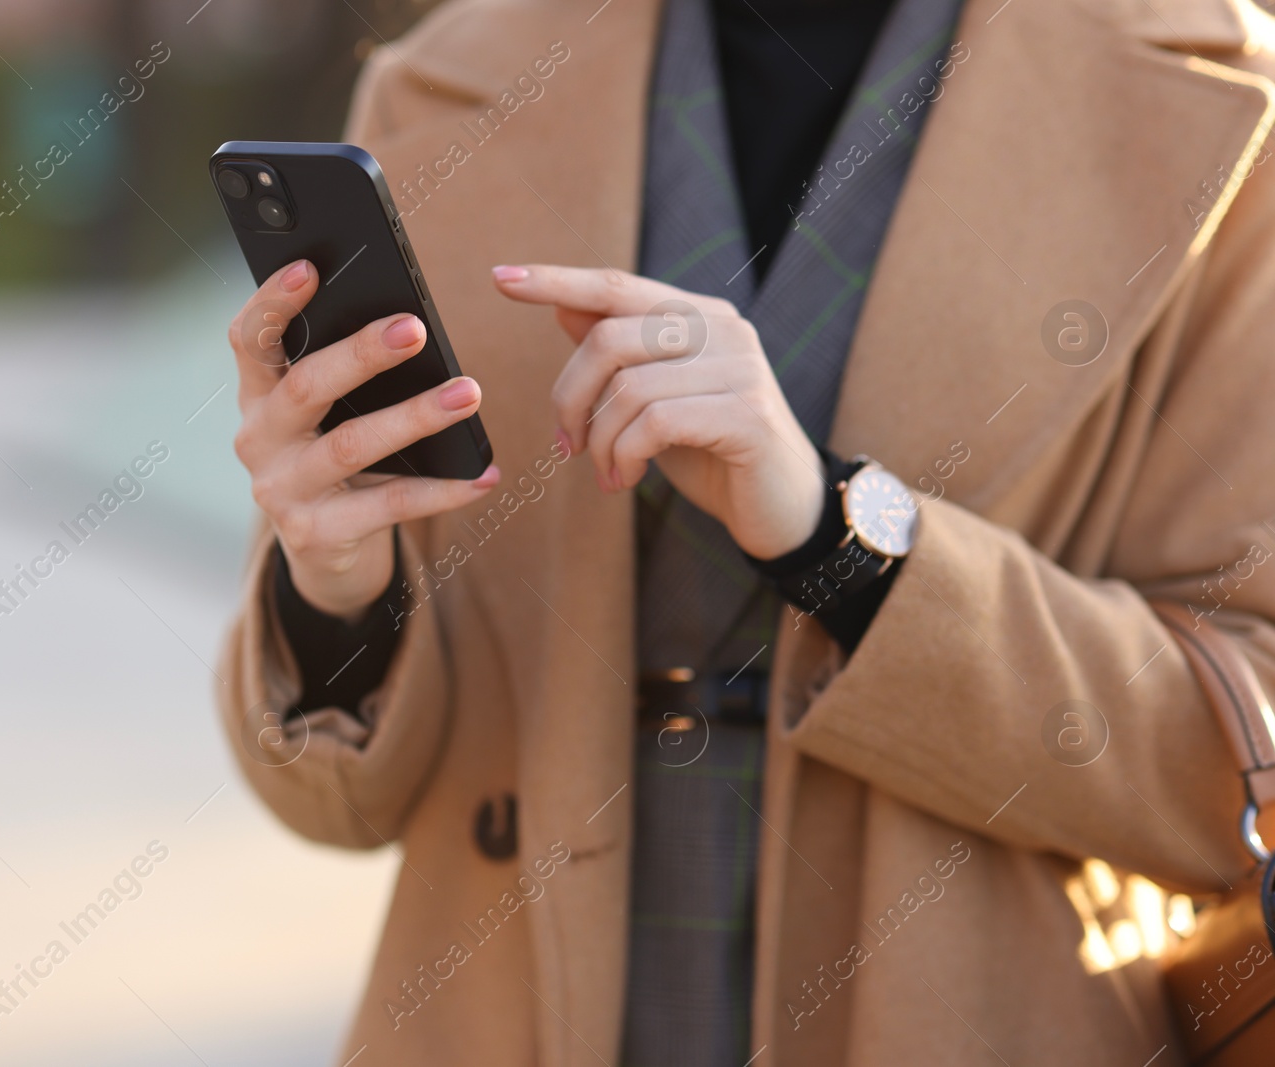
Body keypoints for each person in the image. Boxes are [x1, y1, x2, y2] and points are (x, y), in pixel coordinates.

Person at [216, 0, 1275, 1063]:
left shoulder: (1219, 104)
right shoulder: (447, 75)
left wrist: (839, 536)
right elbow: (337, 799)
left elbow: (1232, 750)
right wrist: (334, 581)